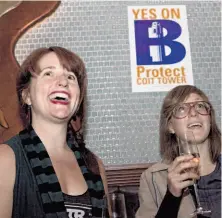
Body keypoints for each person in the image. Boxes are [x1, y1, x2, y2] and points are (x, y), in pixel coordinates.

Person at [0, 46, 111, 218]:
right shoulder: (6, 159)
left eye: (70, 77)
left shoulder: (94, 165)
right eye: (48, 73)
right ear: (26, 95)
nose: (63, 82)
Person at [136, 85, 221, 218]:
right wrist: (172, 196)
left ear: (210, 119)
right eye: (181, 108)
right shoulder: (152, 178)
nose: (194, 113)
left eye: (200, 106)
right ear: (170, 126)